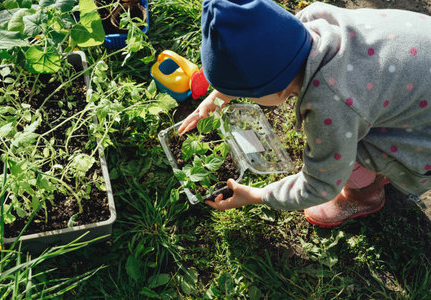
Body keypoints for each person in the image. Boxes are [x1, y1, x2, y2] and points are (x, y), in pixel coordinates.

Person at [178, 0, 431, 228]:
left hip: (424, 133)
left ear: (276, 92)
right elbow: (259, 58)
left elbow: (320, 184)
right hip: (415, 52)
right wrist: (218, 97)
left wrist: (258, 195)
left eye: (244, 92)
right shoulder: (312, 20)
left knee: (344, 151)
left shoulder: (331, 105)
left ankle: (364, 196)